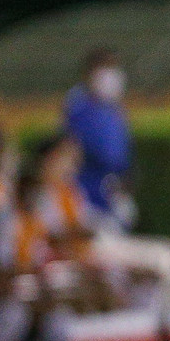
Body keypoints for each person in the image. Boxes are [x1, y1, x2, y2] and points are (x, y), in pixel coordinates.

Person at [63, 48, 133, 230]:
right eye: (105, 68)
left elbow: (121, 156)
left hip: (111, 197)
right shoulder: (78, 106)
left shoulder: (113, 108)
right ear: (90, 73)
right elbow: (96, 152)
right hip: (86, 198)